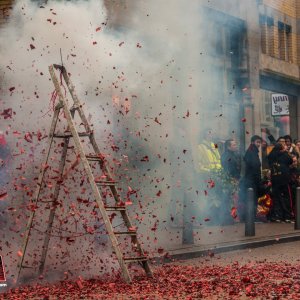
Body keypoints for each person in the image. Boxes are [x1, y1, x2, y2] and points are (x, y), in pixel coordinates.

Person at [239, 135, 263, 222]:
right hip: (252, 180)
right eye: (257, 142)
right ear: (253, 142)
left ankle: (251, 217)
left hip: (251, 180)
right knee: (252, 200)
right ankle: (251, 218)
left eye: (260, 142)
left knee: (252, 199)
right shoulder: (251, 152)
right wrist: (259, 182)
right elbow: (254, 168)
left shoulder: (253, 151)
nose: (259, 144)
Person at [268, 142, 293, 223]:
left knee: (276, 198)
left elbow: (269, 159)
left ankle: (277, 216)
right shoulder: (284, 155)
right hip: (284, 179)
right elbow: (290, 160)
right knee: (286, 198)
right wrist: (285, 151)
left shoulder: (271, 155)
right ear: (282, 148)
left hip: (275, 179)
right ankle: (287, 216)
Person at [221, 139, 241, 224]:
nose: (236, 146)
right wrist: (234, 178)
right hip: (231, 179)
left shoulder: (233, 154)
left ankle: (233, 217)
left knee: (234, 199)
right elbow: (228, 168)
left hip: (233, 179)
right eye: (233, 145)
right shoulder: (226, 155)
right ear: (228, 147)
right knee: (232, 199)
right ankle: (232, 217)